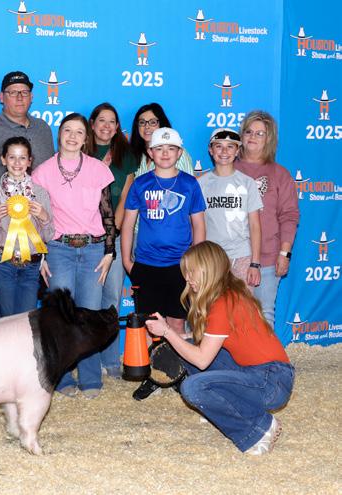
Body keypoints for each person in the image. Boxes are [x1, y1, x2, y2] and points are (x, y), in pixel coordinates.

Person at [145, 241, 294, 455]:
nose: (187, 278)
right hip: (264, 374)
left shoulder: (222, 303)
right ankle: (223, 408)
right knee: (185, 347)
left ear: (208, 270)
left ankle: (259, 427)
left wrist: (168, 331)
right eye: (186, 272)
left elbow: (202, 360)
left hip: (271, 381)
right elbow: (208, 340)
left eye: (192, 272)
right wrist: (177, 336)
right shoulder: (228, 295)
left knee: (193, 388)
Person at [32, 113, 115, 399]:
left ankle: (91, 378)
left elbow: (107, 212)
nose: (72, 136)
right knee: (60, 316)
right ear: (60, 134)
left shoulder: (98, 169)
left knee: (89, 313)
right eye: (67, 130)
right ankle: (62, 376)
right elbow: (35, 218)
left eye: (79, 132)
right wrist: (40, 256)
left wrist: (110, 251)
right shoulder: (42, 172)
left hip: (93, 250)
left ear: (85, 138)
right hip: (58, 249)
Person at [121, 127, 206, 400]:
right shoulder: (141, 184)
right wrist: (127, 260)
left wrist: (196, 262)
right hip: (146, 265)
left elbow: (199, 226)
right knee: (150, 325)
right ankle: (153, 377)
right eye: (159, 148)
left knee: (177, 325)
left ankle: (176, 374)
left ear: (180, 153)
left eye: (171, 149)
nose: (165, 153)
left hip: (180, 267)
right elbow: (128, 224)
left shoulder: (190, 184)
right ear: (150, 153)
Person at [0, 71, 55, 321]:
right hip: (1, 234)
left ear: (32, 97)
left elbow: (49, 181)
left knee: (29, 308)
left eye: (24, 92)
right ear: (1, 97)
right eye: (13, 92)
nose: (19, 97)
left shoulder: (43, 129)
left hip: (34, 238)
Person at [88, 102, 140, 377]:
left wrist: (113, 230)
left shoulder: (126, 155)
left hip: (115, 237)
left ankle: (110, 360)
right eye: (102, 120)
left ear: (118, 127)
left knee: (111, 299)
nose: (106, 126)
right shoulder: (80, 151)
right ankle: (88, 361)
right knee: (87, 302)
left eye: (112, 122)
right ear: (92, 123)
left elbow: (127, 194)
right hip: (85, 238)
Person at [235, 111, 299, 327]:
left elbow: (289, 216)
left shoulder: (280, 174)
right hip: (230, 258)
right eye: (248, 132)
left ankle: (267, 352)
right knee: (231, 315)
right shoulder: (227, 169)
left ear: (269, 139)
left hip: (267, 258)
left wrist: (284, 253)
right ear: (241, 136)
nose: (252, 137)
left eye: (260, 133)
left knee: (264, 315)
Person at [0, 136, 54, 317]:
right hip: (3, 264)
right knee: (5, 321)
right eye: (12, 157)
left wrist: (44, 216)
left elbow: (48, 235)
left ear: (29, 161)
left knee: (26, 323)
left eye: (22, 158)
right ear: (3, 159)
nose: (17, 163)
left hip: (31, 267)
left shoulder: (40, 194)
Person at [199, 128, 262, 286]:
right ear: (210, 150)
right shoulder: (200, 184)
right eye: (219, 146)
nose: (224, 151)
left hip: (242, 256)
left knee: (242, 301)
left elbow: (255, 225)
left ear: (237, 150)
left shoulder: (248, 183)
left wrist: (255, 263)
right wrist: (199, 259)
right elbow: (196, 225)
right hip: (212, 257)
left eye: (230, 146)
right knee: (212, 302)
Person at [129, 103, 194, 179]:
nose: (147, 126)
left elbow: (188, 184)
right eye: (142, 122)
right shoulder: (138, 156)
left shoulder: (177, 154)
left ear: (162, 124)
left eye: (153, 122)